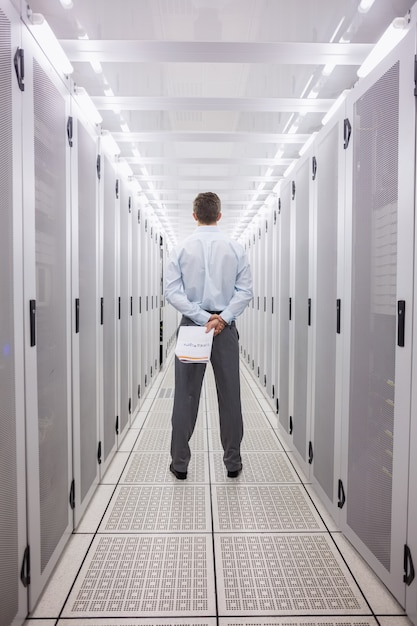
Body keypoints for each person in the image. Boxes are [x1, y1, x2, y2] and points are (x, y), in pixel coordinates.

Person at [164, 192, 253, 479]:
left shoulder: (181, 249)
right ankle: (233, 463)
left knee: (185, 397)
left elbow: (172, 293)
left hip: (193, 327)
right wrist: (222, 319)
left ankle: (179, 464)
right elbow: (245, 292)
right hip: (224, 331)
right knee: (230, 397)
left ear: (194, 216)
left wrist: (203, 318)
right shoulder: (235, 248)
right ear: (219, 215)